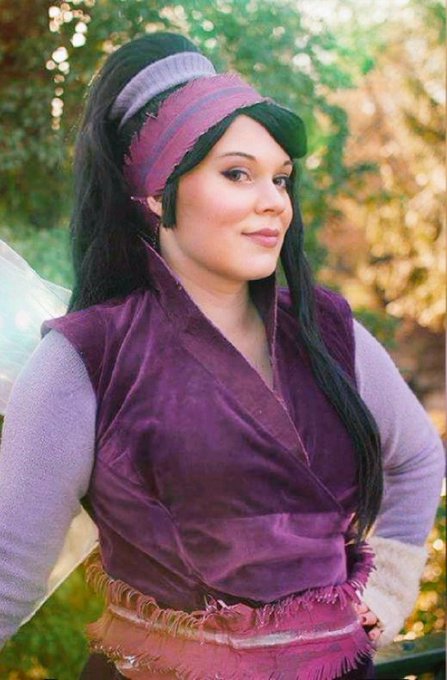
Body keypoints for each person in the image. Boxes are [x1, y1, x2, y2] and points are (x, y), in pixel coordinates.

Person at [0, 32, 444, 680]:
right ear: (157, 195)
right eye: (238, 174)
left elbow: (417, 458)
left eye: (280, 179)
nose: (274, 202)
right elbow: (8, 570)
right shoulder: (86, 357)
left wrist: (387, 591)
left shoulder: (327, 330)